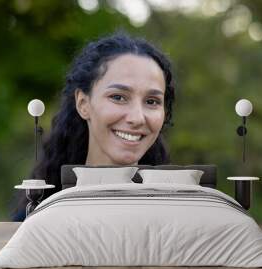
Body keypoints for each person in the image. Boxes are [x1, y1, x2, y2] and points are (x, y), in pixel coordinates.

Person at [12, 32, 176, 221]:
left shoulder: (175, 215)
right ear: (83, 104)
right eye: (118, 97)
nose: (138, 118)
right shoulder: (38, 217)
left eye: (152, 101)